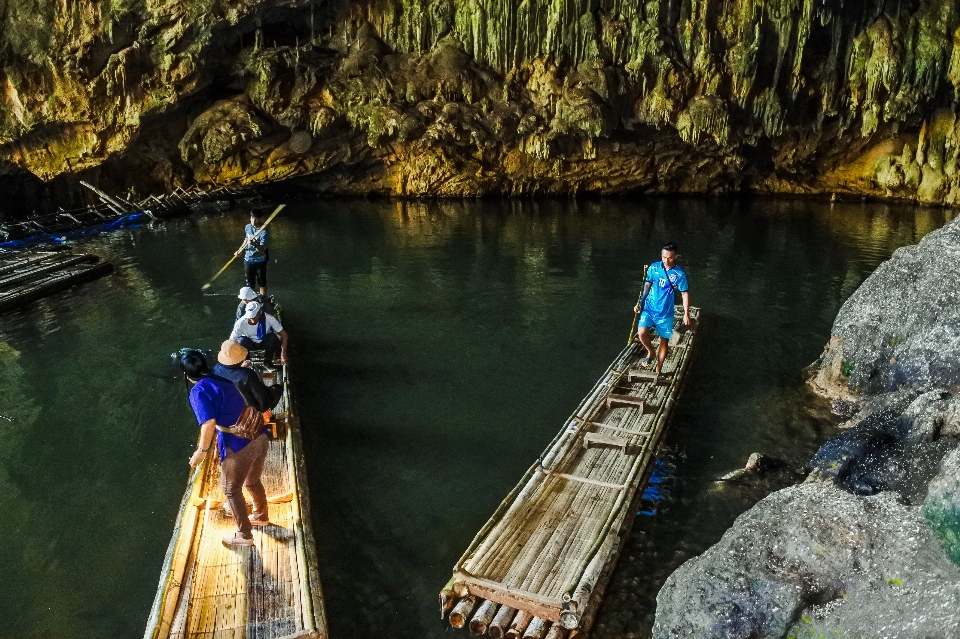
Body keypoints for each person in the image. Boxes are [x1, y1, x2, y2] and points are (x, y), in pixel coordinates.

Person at [179, 350, 270, 547]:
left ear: (187, 375)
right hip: (260, 436)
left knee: (231, 489)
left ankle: (244, 535)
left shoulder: (198, 391)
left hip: (239, 446)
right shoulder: (221, 379)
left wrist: (201, 452)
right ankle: (261, 514)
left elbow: (208, 423)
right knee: (252, 481)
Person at [633, 241, 691, 374]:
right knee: (641, 333)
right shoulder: (653, 268)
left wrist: (686, 313)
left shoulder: (679, 274)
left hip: (665, 312)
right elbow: (646, 286)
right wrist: (639, 303)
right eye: (664, 257)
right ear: (661, 254)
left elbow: (684, 293)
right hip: (649, 307)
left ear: (675, 256)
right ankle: (650, 352)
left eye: (670, 257)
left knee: (663, 341)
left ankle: (659, 367)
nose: (666, 260)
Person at [213, 339, 283, 413]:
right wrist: (262, 411)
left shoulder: (216, 369)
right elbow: (261, 397)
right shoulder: (247, 374)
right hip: (249, 411)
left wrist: (240, 368)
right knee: (277, 388)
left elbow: (231, 375)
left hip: (229, 410)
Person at [230, 301, 289, 366]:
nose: (252, 320)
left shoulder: (269, 318)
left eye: (254, 316)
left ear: (260, 312)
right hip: (250, 344)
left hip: (264, 343)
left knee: (272, 337)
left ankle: (267, 361)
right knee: (241, 340)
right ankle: (247, 362)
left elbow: (284, 334)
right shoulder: (240, 323)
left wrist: (283, 354)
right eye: (250, 317)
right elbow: (231, 341)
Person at [239, 210, 269, 295]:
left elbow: (262, 249)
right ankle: (250, 299)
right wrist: (240, 249)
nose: (253, 221)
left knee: (261, 282)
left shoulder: (264, 232)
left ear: (260, 219)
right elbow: (246, 239)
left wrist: (254, 244)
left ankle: (263, 299)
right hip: (248, 260)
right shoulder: (247, 227)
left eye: (256, 219)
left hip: (260, 261)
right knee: (249, 283)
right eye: (252, 218)